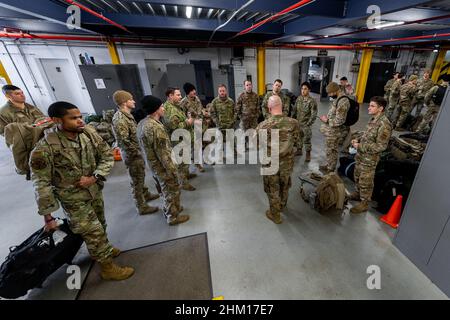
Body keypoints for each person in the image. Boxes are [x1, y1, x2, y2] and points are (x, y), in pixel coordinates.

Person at [30, 101, 134, 281]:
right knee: (93, 231)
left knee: (100, 224)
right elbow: (41, 184)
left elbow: (106, 155)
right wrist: (48, 216)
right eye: (73, 118)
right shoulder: (44, 149)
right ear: (56, 120)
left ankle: (102, 249)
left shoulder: (88, 134)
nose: (80, 121)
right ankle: (107, 268)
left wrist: (95, 177)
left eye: (80, 117)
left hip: (93, 190)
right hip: (72, 199)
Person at [137, 95, 190, 226]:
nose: (163, 108)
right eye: (161, 106)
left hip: (153, 165)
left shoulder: (142, 123)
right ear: (155, 109)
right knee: (171, 190)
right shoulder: (155, 127)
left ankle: (173, 208)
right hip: (162, 167)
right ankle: (172, 216)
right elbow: (163, 154)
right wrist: (173, 171)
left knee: (163, 189)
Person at [111, 90, 159, 215]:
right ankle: (141, 206)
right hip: (132, 155)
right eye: (131, 99)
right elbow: (123, 141)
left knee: (140, 176)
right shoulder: (120, 119)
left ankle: (145, 194)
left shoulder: (127, 115)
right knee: (136, 180)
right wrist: (137, 152)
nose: (134, 101)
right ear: (124, 102)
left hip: (136, 152)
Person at [256, 95, 299, 224]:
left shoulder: (263, 125)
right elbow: (297, 141)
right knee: (284, 185)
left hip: (270, 163)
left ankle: (275, 215)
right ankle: (282, 205)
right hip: (287, 163)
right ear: (283, 107)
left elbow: (258, 144)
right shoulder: (294, 123)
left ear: (269, 108)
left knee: (273, 188)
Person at [349, 96, 392, 214]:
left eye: (372, 106)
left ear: (380, 108)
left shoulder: (384, 124)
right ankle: (358, 194)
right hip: (361, 156)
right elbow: (367, 134)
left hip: (370, 159)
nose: (369, 108)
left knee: (365, 180)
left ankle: (364, 202)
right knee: (357, 175)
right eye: (370, 105)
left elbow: (381, 146)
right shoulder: (373, 119)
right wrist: (357, 139)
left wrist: (360, 146)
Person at [162, 87, 196, 191]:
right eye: (178, 95)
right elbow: (174, 126)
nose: (180, 97)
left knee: (185, 160)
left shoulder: (176, 106)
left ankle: (186, 174)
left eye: (180, 94)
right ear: (170, 96)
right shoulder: (169, 109)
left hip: (183, 138)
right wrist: (188, 121)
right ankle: (183, 183)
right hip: (177, 140)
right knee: (181, 162)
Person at [319, 82, 351, 173]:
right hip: (334, 129)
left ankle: (330, 169)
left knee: (332, 149)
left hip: (337, 130)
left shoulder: (343, 101)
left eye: (330, 93)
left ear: (335, 91)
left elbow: (340, 120)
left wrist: (327, 121)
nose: (329, 95)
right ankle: (330, 165)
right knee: (330, 149)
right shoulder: (338, 99)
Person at [180, 82, 205, 173]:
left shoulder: (197, 99)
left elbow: (200, 110)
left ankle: (198, 163)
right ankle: (188, 167)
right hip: (189, 128)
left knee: (198, 146)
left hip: (198, 125)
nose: (194, 91)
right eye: (191, 90)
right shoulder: (183, 102)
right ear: (187, 92)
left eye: (194, 89)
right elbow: (182, 116)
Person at [292, 81, 318, 162]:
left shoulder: (312, 101)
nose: (303, 91)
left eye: (305, 89)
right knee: (298, 138)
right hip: (298, 123)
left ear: (309, 90)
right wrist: (293, 119)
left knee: (307, 139)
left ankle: (308, 154)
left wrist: (308, 124)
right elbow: (295, 110)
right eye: (302, 89)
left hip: (306, 124)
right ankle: (299, 150)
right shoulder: (299, 98)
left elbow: (314, 115)